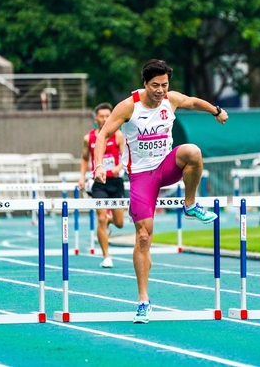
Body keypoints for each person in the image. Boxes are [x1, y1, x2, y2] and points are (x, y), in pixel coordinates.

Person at [93, 59, 228, 324]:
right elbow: (103, 135)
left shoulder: (171, 99)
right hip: (141, 176)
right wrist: (98, 164)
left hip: (166, 166)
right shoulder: (129, 106)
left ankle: (190, 204)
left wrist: (216, 111)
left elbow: (192, 101)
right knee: (144, 237)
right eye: (155, 85)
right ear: (145, 83)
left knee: (193, 151)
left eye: (164, 85)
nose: (160, 90)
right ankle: (143, 300)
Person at [78, 102, 126, 268]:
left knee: (120, 223)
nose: (105, 119)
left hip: (115, 182)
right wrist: (82, 177)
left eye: (108, 116)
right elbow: (85, 158)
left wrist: (118, 168)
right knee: (101, 218)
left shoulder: (118, 135)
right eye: (102, 116)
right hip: (99, 183)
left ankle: (110, 221)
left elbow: (126, 157)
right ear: (95, 119)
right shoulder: (89, 138)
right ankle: (106, 256)